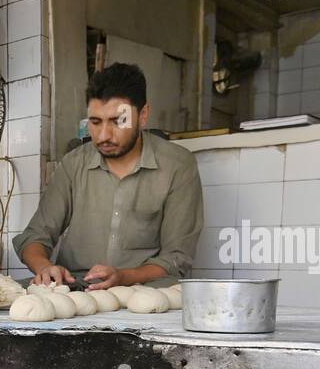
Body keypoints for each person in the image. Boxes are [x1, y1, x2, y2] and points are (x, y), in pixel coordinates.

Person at [12, 63, 203, 290]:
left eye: (117, 121)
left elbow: (177, 257)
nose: (103, 136)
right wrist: (44, 267)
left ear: (143, 116)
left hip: (142, 288)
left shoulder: (178, 165)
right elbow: (35, 236)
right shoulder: (73, 163)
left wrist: (123, 277)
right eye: (95, 122)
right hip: (77, 286)